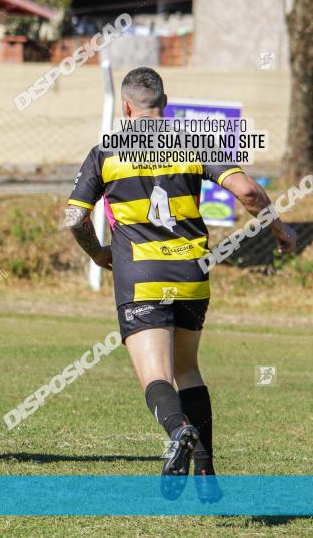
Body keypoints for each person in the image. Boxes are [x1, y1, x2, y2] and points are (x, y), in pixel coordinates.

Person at [65, 67, 296, 492]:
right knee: (188, 371)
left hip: (141, 276)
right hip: (192, 273)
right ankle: (207, 476)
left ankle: (178, 432)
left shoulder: (106, 151)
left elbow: (74, 217)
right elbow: (248, 192)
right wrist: (279, 228)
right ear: (165, 103)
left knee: (157, 377)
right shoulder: (192, 142)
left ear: (127, 107)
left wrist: (97, 252)